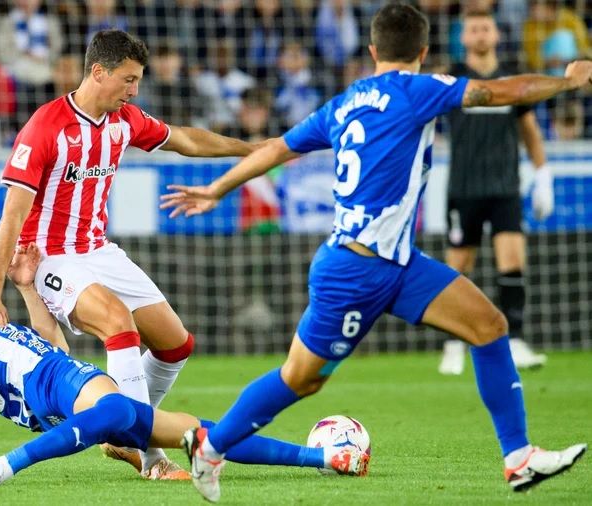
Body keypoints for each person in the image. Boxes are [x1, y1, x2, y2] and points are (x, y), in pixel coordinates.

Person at [161, 3, 588, 502]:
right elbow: (497, 92)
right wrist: (567, 81)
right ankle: (211, 447)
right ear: (423, 52)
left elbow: (277, 148)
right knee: (299, 379)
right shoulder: (418, 89)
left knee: (489, 325)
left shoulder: (344, 103)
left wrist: (217, 189)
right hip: (357, 270)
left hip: (396, 264)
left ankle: (518, 458)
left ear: (372, 50)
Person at [0, 244, 367, 487]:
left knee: (203, 435)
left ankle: (326, 458)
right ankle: (9, 467)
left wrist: (26, 287)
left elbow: (49, 341)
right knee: (125, 415)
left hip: (58, 388)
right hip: (54, 392)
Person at [0, 29, 259, 480]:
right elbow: (11, 217)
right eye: (128, 80)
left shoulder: (124, 120)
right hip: (52, 258)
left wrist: (255, 149)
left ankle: (117, 427)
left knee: (175, 345)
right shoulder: (46, 127)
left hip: (99, 250)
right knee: (117, 322)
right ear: (98, 72)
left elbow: (186, 140)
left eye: (137, 81)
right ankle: (150, 456)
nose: (134, 90)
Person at [439, 9, 551, 376]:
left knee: (512, 260)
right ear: (464, 37)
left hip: (504, 186)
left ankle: (515, 339)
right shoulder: (453, 79)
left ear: (497, 35)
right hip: (464, 188)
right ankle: (454, 343)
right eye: (473, 29)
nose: (480, 34)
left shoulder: (511, 80)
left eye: (485, 28)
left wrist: (543, 173)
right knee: (458, 267)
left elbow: (530, 129)